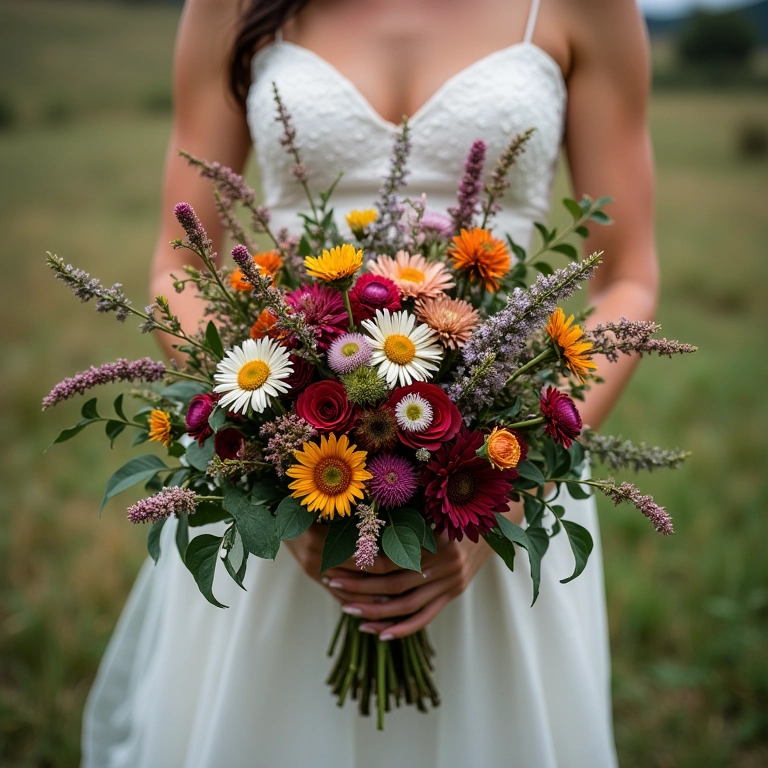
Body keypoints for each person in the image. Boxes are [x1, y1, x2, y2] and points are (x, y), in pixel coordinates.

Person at [82, 0, 657, 765]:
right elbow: (180, 263)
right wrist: (266, 451)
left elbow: (628, 280)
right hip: (290, 462)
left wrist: (509, 493)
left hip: (501, 467)